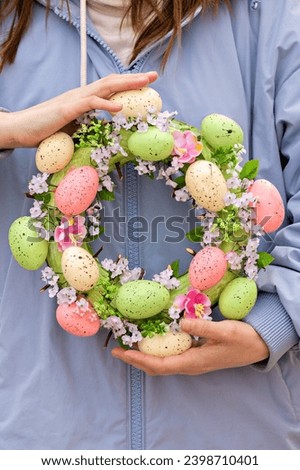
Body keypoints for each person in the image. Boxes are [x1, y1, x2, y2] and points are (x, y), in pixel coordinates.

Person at [0, 0, 299, 451]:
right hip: (44, 432)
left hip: (234, 435)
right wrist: (8, 130)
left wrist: (277, 323)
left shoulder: (271, 17)